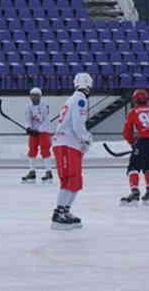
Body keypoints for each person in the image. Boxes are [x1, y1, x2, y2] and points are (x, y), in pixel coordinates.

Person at [51, 72, 94, 230]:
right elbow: (77, 124)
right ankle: (59, 213)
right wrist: (86, 138)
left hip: (68, 143)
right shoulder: (80, 99)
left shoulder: (72, 99)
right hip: (66, 143)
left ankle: (65, 210)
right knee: (70, 178)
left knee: (74, 180)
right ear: (88, 85)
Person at [22, 87, 55, 183]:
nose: (34, 97)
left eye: (36, 95)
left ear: (40, 96)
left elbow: (45, 120)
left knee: (45, 150)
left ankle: (49, 172)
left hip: (44, 130)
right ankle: (32, 172)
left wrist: (39, 130)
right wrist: (28, 128)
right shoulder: (28, 106)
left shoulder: (44, 106)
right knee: (32, 149)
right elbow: (28, 119)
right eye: (32, 95)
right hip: (34, 131)